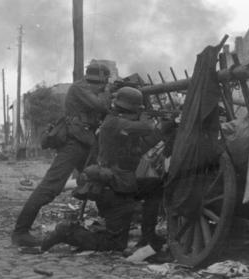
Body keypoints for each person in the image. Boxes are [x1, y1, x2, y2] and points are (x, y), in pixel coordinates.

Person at [41, 86, 168, 253]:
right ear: (130, 110)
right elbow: (147, 128)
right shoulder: (113, 123)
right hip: (112, 190)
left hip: (123, 185)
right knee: (114, 245)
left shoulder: (121, 127)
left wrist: (165, 129)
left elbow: (141, 148)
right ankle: (67, 232)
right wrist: (148, 120)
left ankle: (148, 237)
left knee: (156, 187)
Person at [10, 62, 112, 247]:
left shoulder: (91, 89)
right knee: (50, 188)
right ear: (99, 79)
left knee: (99, 182)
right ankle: (21, 232)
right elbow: (101, 106)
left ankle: (110, 227)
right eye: (102, 82)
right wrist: (109, 93)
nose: (102, 86)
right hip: (73, 143)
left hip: (87, 143)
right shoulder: (80, 88)